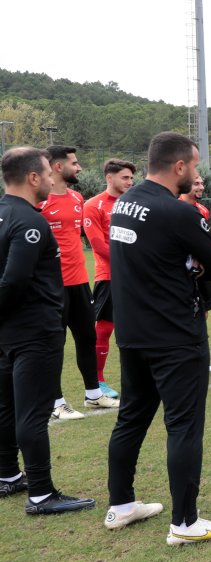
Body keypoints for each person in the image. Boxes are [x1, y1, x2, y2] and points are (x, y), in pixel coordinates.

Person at [105, 132, 211, 543]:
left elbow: (153, 258)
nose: (196, 174)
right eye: (195, 167)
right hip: (175, 335)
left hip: (133, 331)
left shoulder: (124, 203)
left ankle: (122, 504)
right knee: (183, 425)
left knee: (132, 416)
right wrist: (194, 265)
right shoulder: (178, 212)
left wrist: (185, 264)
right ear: (179, 167)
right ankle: (185, 523)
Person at [0, 146, 95, 515]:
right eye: (47, 172)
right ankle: (40, 493)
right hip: (34, 331)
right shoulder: (31, 221)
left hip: (9, 333)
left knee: (7, 406)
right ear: (34, 177)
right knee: (33, 413)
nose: (54, 178)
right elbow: (15, 281)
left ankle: (7, 474)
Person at [42, 145, 118, 420]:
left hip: (80, 282)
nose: (79, 167)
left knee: (87, 337)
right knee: (54, 344)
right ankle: (55, 402)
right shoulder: (39, 200)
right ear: (58, 167)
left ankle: (94, 395)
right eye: (74, 163)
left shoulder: (76, 197)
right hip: (51, 285)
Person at [82, 159, 136, 397]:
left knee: (139, 326)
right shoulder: (94, 205)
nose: (130, 182)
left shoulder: (133, 204)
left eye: (131, 178)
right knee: (105, 328)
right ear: (109, 178)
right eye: (125, 177)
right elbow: (98, 245)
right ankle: (99, 380)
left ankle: (138, 376)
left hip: (137, 275)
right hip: (110, 276)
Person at [179, 175, 211, 373]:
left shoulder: (202, 210)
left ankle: (198, 356)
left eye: (202, 183)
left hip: (201, 272)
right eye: (196, 183)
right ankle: (184, 358)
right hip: (182, 274)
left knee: (202, 312)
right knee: (184, 314)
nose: (201, 187)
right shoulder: (174, 208)